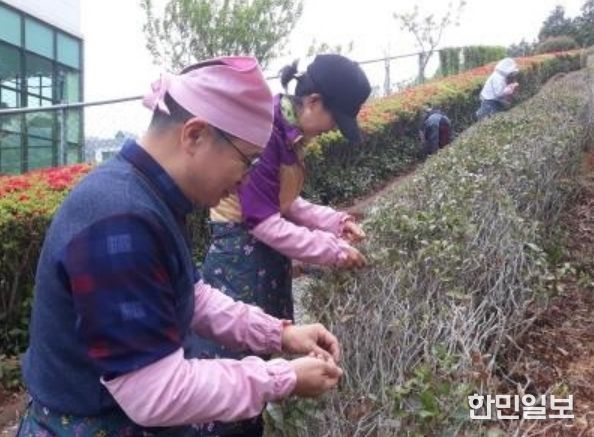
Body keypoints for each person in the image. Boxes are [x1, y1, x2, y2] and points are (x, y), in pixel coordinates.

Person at [16, 56, 344, 436]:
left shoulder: (148, 195)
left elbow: (192, 294)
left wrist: (280, 334)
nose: (245, 180)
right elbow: (155, 392)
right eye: (247, 161)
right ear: (194, 135)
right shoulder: (120, 221)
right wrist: (282, 377)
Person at [191, 54, 370, 435]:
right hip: (239, 261)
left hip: (264, 260)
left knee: (263, 352)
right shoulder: (265, 132)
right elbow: (263, 221)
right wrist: (333, 251)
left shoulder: (290, 134)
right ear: (314, 102)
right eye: (335, 119)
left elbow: (285, 202)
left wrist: (336, 222)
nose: (333, 129)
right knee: (235, 361)